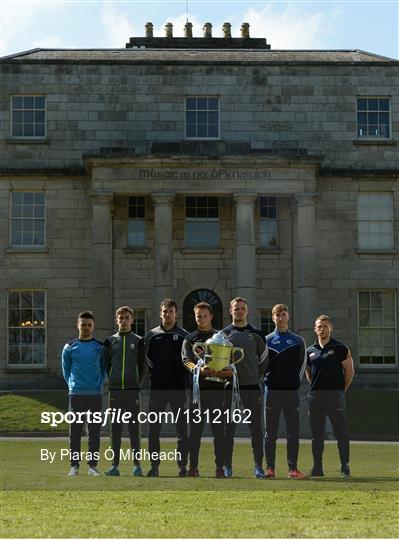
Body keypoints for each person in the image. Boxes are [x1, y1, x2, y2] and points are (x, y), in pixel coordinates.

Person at [182, 302, 231, 479]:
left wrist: (228, 371)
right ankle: (193, 467)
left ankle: (220, 468)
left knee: (219, 432)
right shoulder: (190, 338)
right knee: (194, 432)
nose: (201, 319)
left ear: (211, 316)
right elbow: (185, 360)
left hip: (218, 391)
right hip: (198, 392)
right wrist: (198, 369)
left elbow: (229, 359)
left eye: (204, 315)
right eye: (198, 316)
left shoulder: (222, 337)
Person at [223, 297, 268, 479]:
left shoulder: (256, 334)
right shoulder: (223, 334)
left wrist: (254, 375)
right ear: (231, 311)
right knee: (228, 429)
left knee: (256, 429)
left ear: (246, 311)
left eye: (242, 308)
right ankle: (228, 466)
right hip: (230, 388)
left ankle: (258, 466)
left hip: (252, 387)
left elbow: (264, 360)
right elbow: (218, 361)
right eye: (236, 309)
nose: (239, 311)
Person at [144, 299, 189, 477]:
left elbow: (188, 360)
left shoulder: (185, 335)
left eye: (170, 311)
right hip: (157, 389)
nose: (167, 314)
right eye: (164, 311)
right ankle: (154, 466)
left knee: (181, 430)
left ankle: (182, 466)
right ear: (160, 313)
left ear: (175, 313)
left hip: (178, 389)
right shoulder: (151, 335)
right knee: (153, 429)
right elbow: (148, 361)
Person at [305, 314, 354, 478]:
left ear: (330, 328)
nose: (322, 329)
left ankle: (344, 467)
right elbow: (309, 373)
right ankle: (317, 467)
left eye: (325, 326)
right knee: (317, 435)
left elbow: (349, 372)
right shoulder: (309, 351)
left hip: (335, 396)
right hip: (315, 397)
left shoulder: (341, 348)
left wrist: (340, 390)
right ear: (315, 329)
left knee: (341, 433)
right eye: (319, 326)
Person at [264, 304, 306, 479]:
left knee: (293, 432)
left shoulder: (298, 340)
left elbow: (302, 365)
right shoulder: (266, 340)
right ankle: (270, 468)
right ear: (272, 318)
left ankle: (293, 469)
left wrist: (294, 383)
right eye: (277, 315)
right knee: (270, 433)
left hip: (291, 393)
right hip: (272, 392)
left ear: (288, 316)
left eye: (283, 314)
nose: (280, 318)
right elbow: (261, 366)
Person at [103, 306, 146, 477]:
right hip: (115, 391)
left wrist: (137, 383)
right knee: (115, 430)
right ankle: (114, 465)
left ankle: (137, 465)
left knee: (134, 429)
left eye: (126, 317)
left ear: (132, 320)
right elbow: (106, 365)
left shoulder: (139, 341)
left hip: (132, 391)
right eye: (120, 318)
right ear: (116, 320)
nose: (123, 320)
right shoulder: (109, 341)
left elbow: (143, 367)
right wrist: (112, 380)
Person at [61, 311, 106, 476]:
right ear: (77, 325)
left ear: (93, 326)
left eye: (89, 325)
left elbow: (104, 369)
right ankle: (74, 466)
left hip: (95, 394)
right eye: (83, 324)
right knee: (75, 432)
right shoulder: (69, 347)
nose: (86, 327)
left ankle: (92, 466)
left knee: (94, 432)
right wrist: (73, 385)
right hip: (76, 394)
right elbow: (66, 371)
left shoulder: (99, 347)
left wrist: (97, 384)